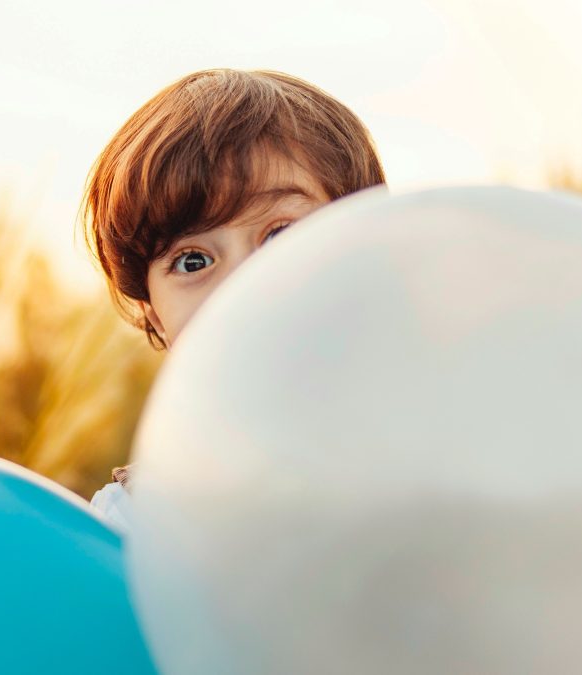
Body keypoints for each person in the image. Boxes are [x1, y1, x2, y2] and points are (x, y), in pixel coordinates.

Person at [82, 68, 386, 531]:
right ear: (155, 316)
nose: (244, 283)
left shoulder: (438, 460)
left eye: (281, 234)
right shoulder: (134, 522)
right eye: (193, 261)